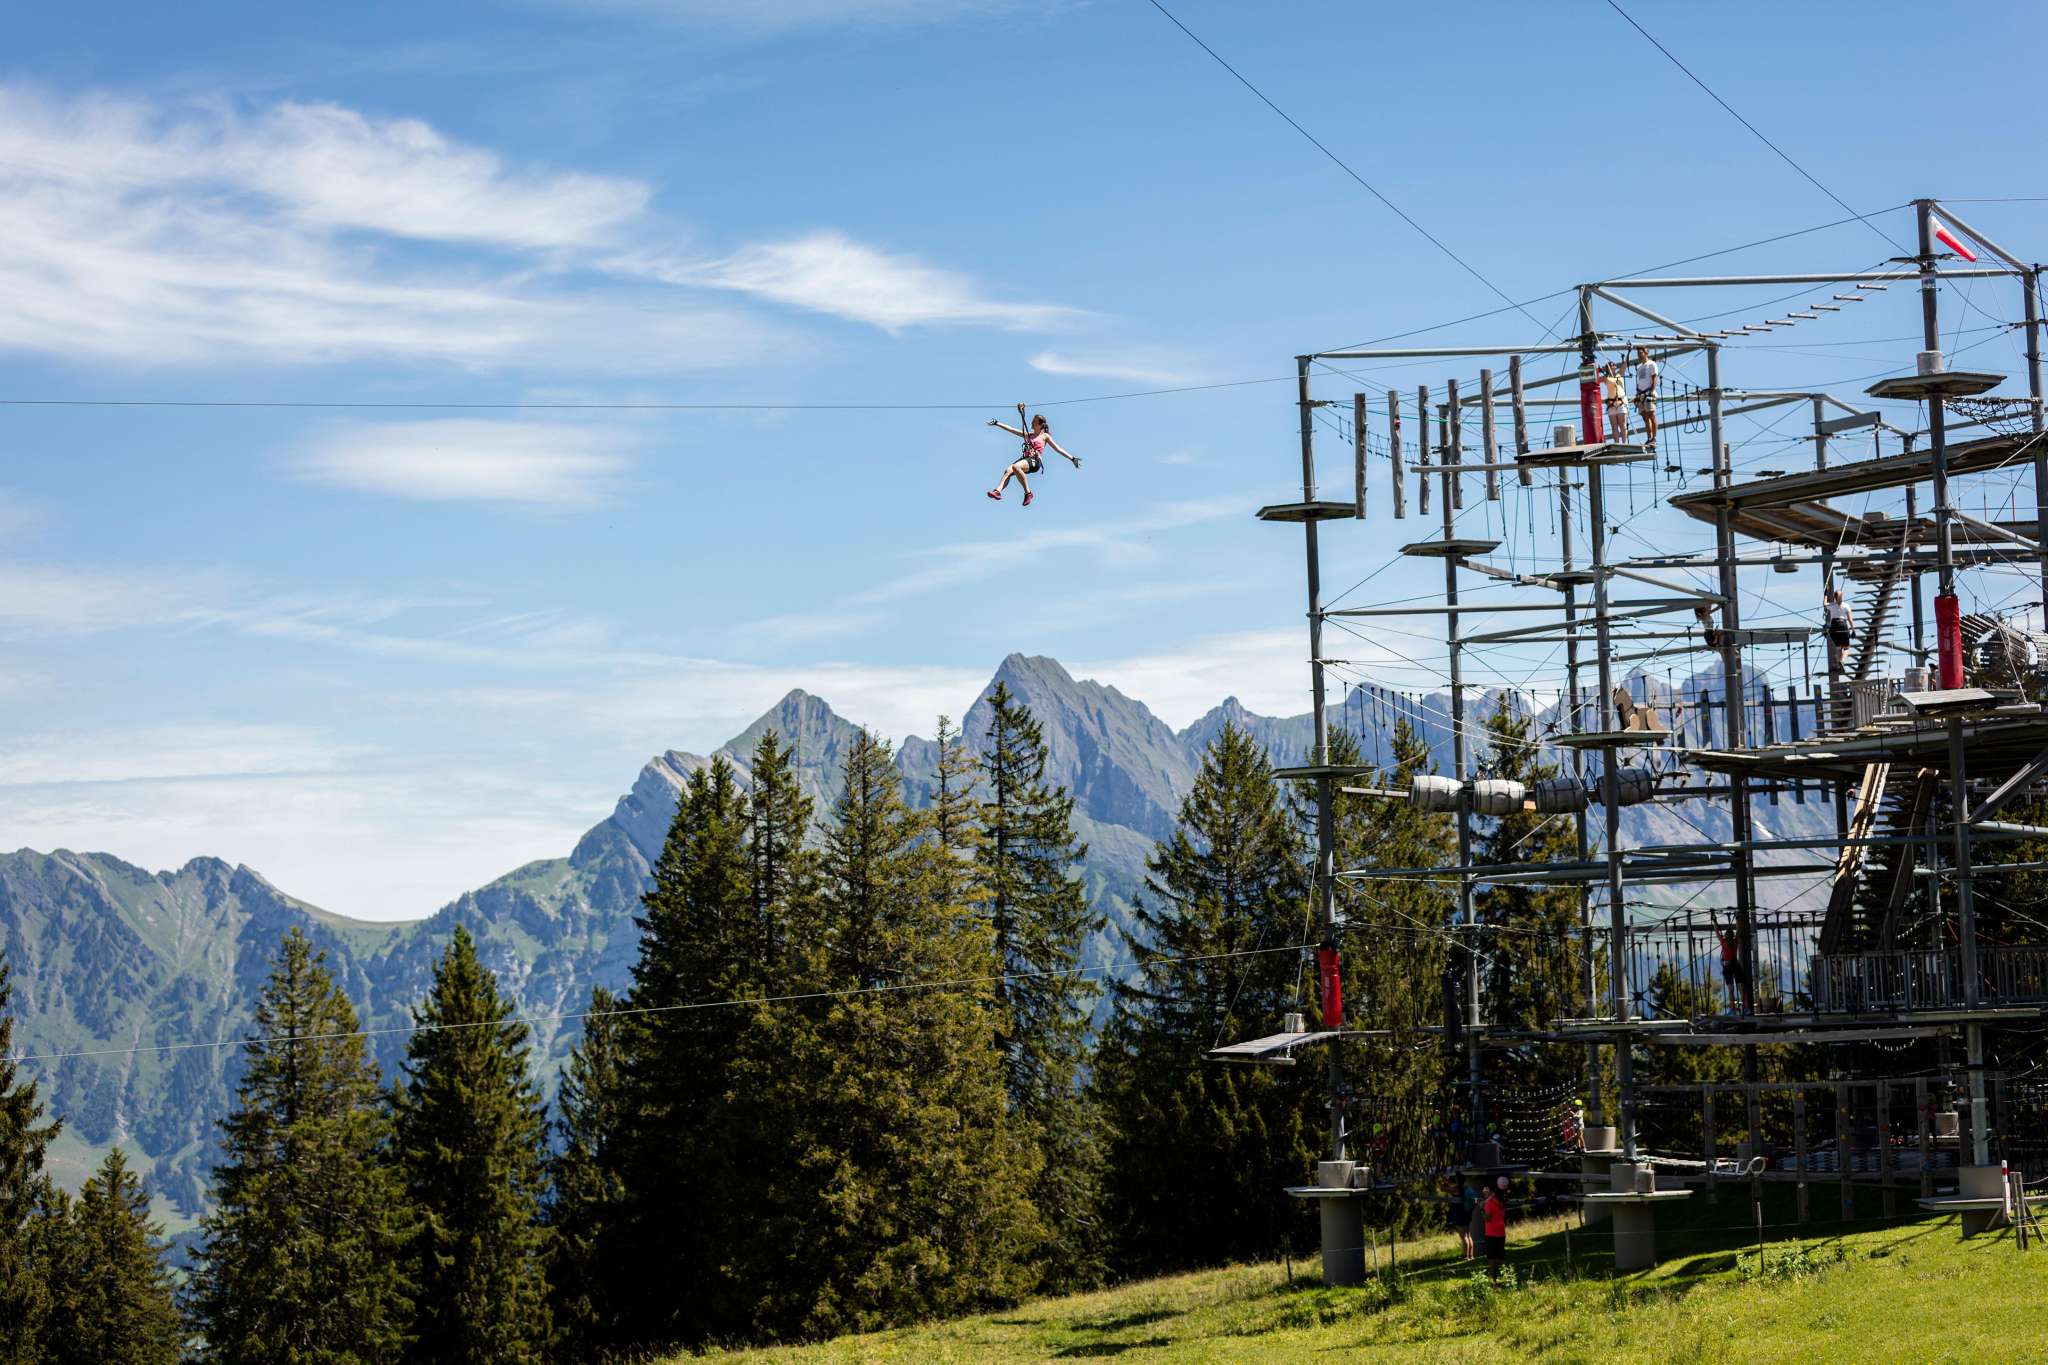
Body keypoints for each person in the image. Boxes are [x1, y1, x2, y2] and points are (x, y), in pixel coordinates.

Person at [986, 412, 1081, 506]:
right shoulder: (1029, 435)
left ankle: (1028, 493)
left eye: (1034, 421)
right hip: (1025, 459)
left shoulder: (1045, 436)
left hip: (1035, 461)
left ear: (1040, 425)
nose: (1032, 422)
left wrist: (1072, 458)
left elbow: (1058, 448)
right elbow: (1011, 429)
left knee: (1015, 466)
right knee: (1008, 470)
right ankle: (997, 491)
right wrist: (997, 423)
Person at [1824, 584, 1856, 672]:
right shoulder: (1846, 606)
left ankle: (1839, 663)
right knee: (1846, 648)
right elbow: (1850, 619)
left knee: (1838, 647)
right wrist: (1853, 630)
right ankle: (1842, 661)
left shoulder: (1832, 605)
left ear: (1834, 597)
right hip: (1843, 626)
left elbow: (1825, 604)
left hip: (1834, 626)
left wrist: (1825, 594)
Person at [1634, 346, 1660, 451]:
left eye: (1641, 353)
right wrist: (1637, 395)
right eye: (1638, 354)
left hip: (1649, 393)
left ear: (1646, 353)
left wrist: (1651, 391)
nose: (1639, 355)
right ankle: (1649, 438)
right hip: (1641, 394)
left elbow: (1654, 379)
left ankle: (1654, 438)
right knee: (1645, 417)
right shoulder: (1639, 367)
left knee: (1651, 415)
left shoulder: (1652, 364)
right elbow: (1639, 382)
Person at [1483, 1177, 1509, 1279]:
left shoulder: (1489, 1203)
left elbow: (1487, 1218)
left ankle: (1494, 1280)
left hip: (1491, 1234)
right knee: (1501, 1257)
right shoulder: (1502, 1201)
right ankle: (1505, 1278)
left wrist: (1481, 1209)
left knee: (1491, 1258)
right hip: (1501, 1233)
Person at [1601, 361, 1630, 444]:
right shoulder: (1606, 377)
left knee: (1622, 425)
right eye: (1611, 365)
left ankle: (1625, 443)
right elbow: (1595, 379)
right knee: (1614, 426)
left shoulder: (1619, 374)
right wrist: (1600, 370)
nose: (1613, 366)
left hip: (1621, 402)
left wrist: (1627, 355)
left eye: (1613, 365)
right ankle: (1617, 443)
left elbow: (1625, 363)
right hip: (1611, 404)